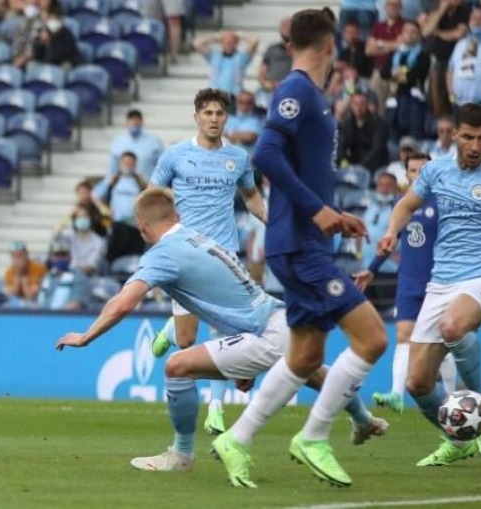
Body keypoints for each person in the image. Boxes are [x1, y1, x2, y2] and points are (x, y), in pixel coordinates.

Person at [55, 188, 386, 483]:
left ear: (142, 225)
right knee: (310, 371)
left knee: (176, 366)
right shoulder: (197, 238)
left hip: (265, 331)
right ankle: (362, 419)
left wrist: (86, 336)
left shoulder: (163, 253)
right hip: (278, 318)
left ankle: (182, 454)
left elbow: (124, 303)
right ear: (177, 216)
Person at [216, 9, 388, 488]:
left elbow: (301, 168)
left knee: (307, 355)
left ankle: (237, 438)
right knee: (373, 339)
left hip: (305, 240)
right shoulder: (295, 90)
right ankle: (314, 436)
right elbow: (265, 154)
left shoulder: (313, 95)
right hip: (297, 243)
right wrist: (316, 210)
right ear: (331, 45)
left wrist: (333, 214)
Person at [377, 103, 481, 466]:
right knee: (418, 383)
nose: (476, 146)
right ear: (454, 134)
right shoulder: (436, 170)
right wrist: (391, 232)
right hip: (442, 281)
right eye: (468, 137)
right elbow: (406, 205)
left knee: (453, 326)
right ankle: (459, 440)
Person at [149, 88, 267, 436]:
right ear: (196, 117)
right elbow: (152, 197)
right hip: (185, 254)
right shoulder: (175, 155)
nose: (214, 119)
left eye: (219, 113)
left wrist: (272, 222)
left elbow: (251, 195)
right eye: (208, 113)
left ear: (226, 118)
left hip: (224, 254)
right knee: (187, 341)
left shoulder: (238, 158)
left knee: (224, 331)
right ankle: (172, 330)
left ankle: (216, 408)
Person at [354, 153, 456, 413]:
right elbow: (391, 240)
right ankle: (397, 395)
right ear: (406, 174)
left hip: (438, 281)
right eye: (413, 170)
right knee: (403, 335)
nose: (418, 175)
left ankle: (452, 399)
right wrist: (371, 270)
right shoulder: (401, 204)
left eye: (423, 169)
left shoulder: (443, 202)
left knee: (444, 341)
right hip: (409, 281)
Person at [4, 241, 47, 306]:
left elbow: (30, 296)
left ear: (26, 254)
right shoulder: (9, 272)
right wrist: (18, 274)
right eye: (15, 255)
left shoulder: (38, 268)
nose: (18, 258)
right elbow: (13, 294)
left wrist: (23, 275)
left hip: (36, 303)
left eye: (20, 255)